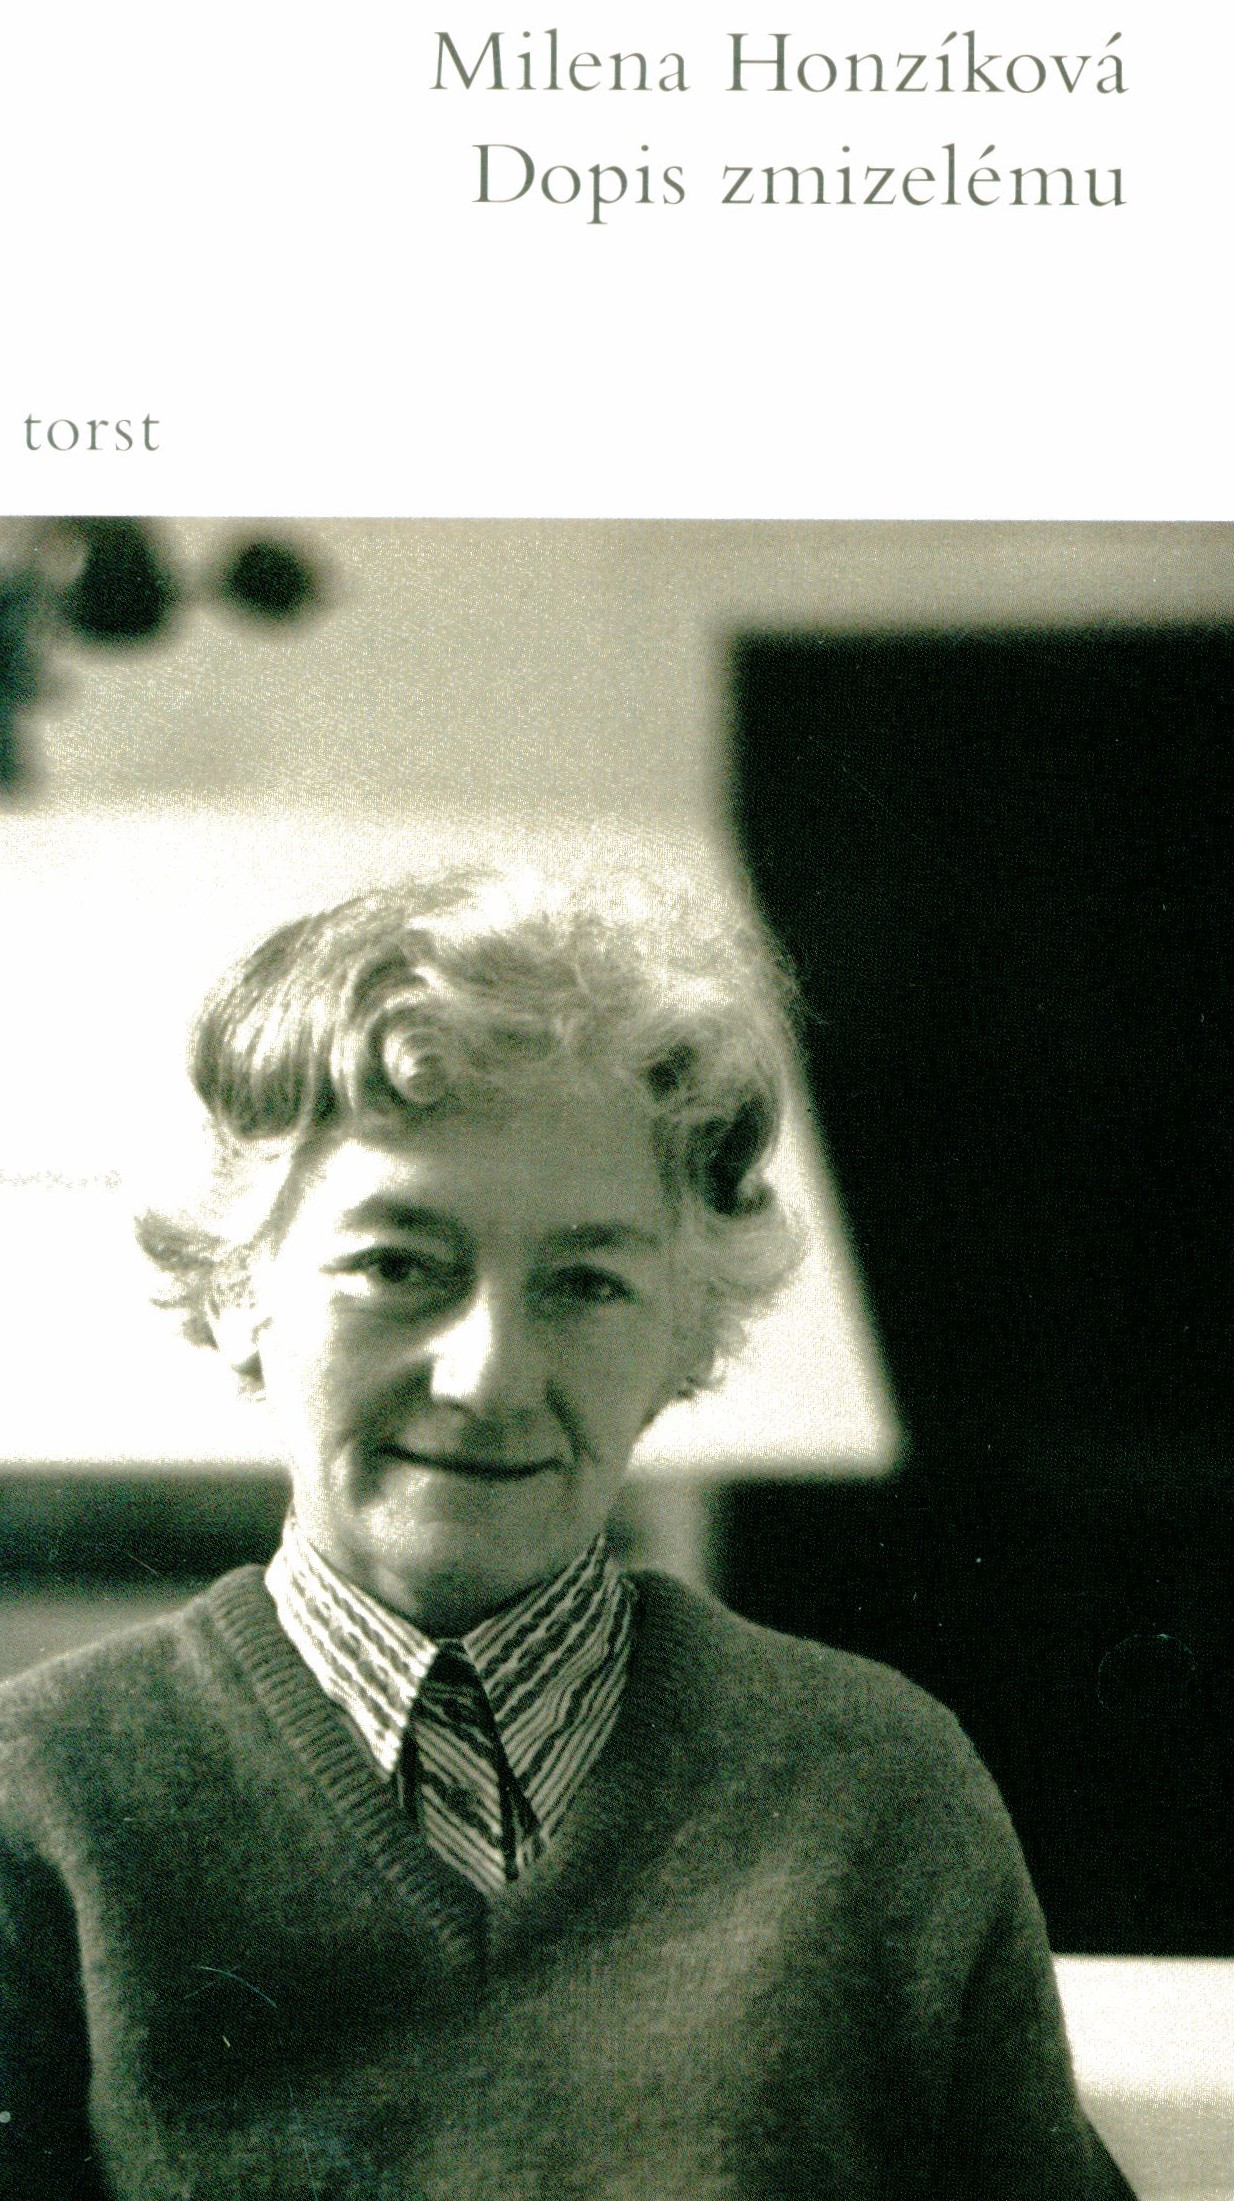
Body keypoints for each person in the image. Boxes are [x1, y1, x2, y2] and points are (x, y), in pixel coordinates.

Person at [0, 864, 1135, 2200]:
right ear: (239, 1290)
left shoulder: (875, 1789)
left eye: (586, 1282)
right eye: (396, 1265)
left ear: (687, 1331)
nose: (488, 1375)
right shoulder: (46, 1797)